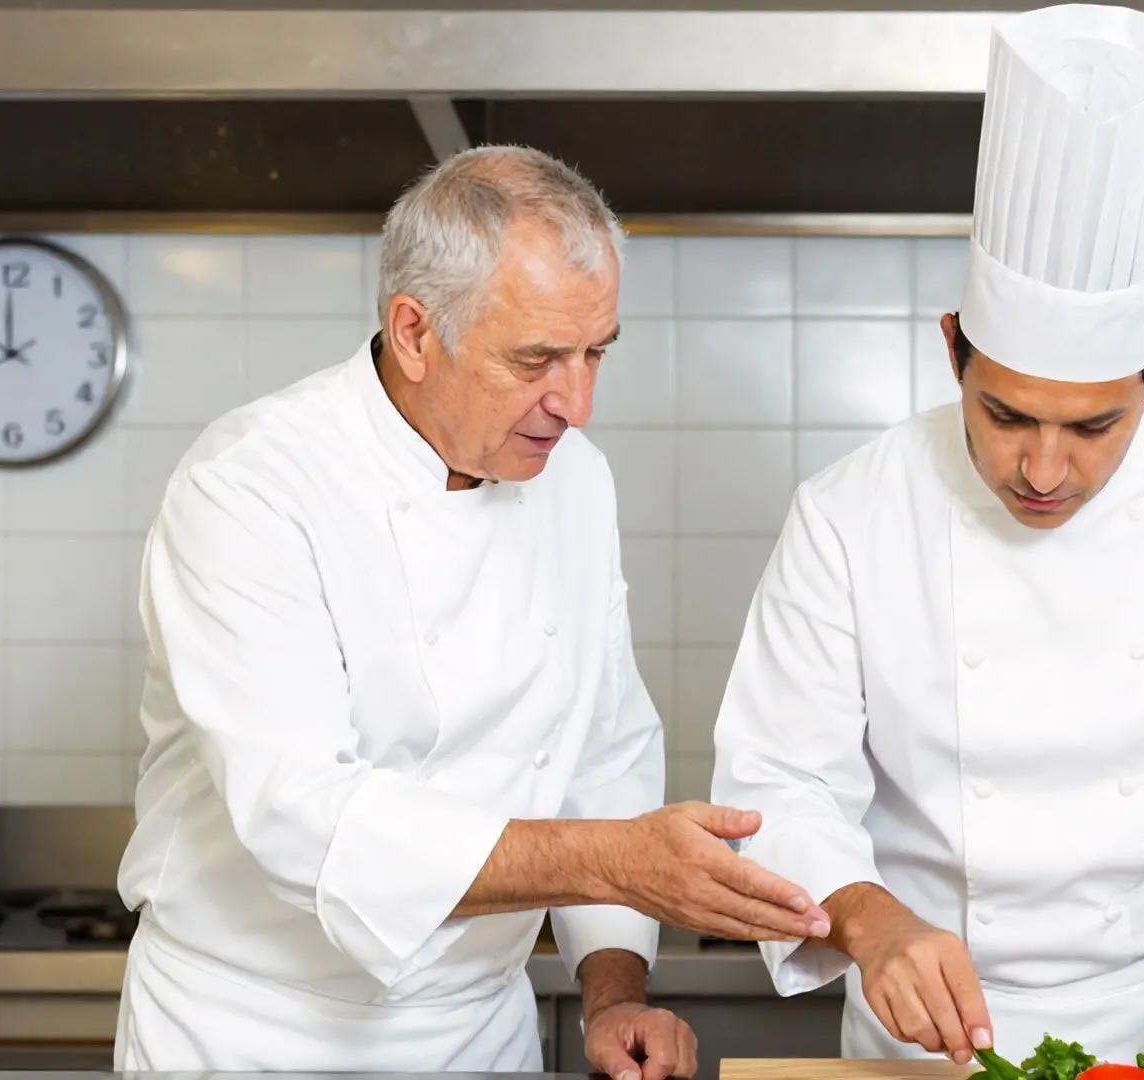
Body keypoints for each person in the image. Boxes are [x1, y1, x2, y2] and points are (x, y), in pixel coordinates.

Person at [708, 6, 1144, 1078]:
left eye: (1094, 427)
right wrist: (869, 922)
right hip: (927, 1044)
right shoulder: (849, 514)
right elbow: (778, 782)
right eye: (1003, 417)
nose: (1044, 470)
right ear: (953, 351)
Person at [115, 145, 831, 1077]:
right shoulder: (251, 488)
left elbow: (602, 757)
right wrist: (612, 861)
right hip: (254, 1037)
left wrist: (615, 995)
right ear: (414, 331)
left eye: (595, 354)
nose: (574, 403)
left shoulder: (575, 481)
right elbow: (306, 818)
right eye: (537, 359)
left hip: (477, 1037)